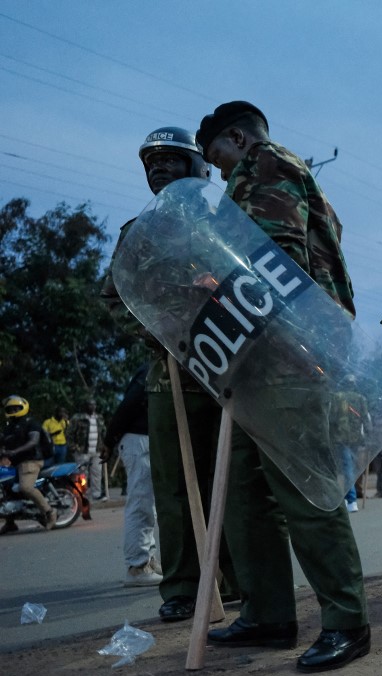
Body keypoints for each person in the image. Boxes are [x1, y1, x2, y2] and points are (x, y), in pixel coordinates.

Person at [195, 101, 369, 673]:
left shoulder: (266, 167)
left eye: (218, 158)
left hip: (289, 352)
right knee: (246, 492)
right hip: (254, 356)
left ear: (239, 139)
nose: (218, 171)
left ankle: (347, 622)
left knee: (302, 483)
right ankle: (269, 614)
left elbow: (274, 263)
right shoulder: (260, 175)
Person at [100, 126, 238, 623]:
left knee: (232, 479)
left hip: (226, 369)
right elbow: (114, 296)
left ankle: (237, 579)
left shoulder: (228, 220)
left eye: (171, 160)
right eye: (151, 162)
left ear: (198, 168)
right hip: (170, 373)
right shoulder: (137, 229)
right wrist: (155, 328)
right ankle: (183, 586)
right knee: (176, 485)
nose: (159, 168)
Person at [104, 366, 162, 587]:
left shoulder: (154, 369)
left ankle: (148, 559)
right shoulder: (151, 370)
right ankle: (137, 567)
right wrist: (109, 440)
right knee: (141, 502)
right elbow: (127, 406)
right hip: (138, 440)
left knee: (148, 504)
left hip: (142, 440)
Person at [0, 396, 57, 533]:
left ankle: (50, 512)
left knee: (25, 487)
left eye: (16, 408)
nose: (13, 410)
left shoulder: (31, 423)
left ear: (23, 407)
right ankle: (10, 523)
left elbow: (33, 441)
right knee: (7, 489)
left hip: (31, 461)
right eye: (11, 408)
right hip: (15, 463)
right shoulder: (9, 427)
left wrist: (14, 451)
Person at [67, 399, 107, 501]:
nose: (92, 407)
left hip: (97, 450)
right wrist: (73, 447)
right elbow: (69, 433)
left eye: (94, 405)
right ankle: (82, 494)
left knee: (97, 473)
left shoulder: (99, 418)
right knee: (82, 474)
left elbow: (103, 432)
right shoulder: (77, 418)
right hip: (82, 450)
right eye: (90, 405)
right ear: (85, 406)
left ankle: (96, 494)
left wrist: (105, 446)